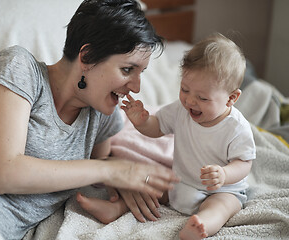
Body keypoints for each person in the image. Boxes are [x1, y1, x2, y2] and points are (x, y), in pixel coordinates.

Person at [0, 0, 180, 239]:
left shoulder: (102, 115)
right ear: (87, 57)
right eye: (127, 70)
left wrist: (120, 182)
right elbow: (3, 174)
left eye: (141, 73)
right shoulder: (20, 68)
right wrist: (113, 171)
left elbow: (99, 163)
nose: (136, 87)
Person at [77, 33, 256, 239]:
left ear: (231, 98)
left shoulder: (236, 127)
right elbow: (157, 128)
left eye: (202, 98)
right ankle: (116, 208)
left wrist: (224, 175)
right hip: (181, 182)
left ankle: (202, 224)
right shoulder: (180, 110)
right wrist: (142, 121)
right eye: (184, 89)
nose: (190, 101)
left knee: (221, 207)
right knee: (148, 186)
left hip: (222, 189)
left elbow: (244, 163)